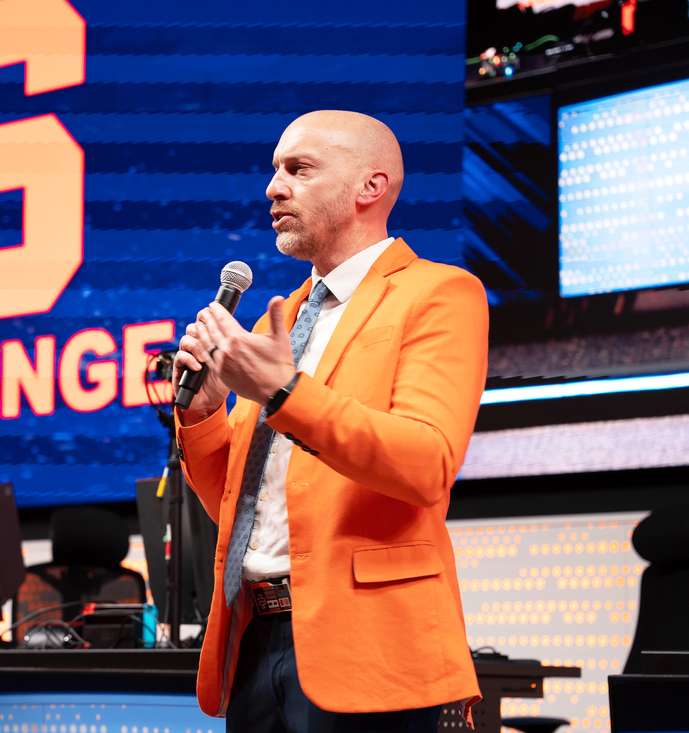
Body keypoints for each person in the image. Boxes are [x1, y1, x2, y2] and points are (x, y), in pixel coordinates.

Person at [171, 110, 488, 732]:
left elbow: (426, 465)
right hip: (254, 642)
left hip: (372, 648)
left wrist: (285, 392)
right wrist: (206, 414)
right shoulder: (276, 321)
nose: (273, 187)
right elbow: (239, 510)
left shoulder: (439, 293)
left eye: (299, 169)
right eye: (274, 171)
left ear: (370, 187)